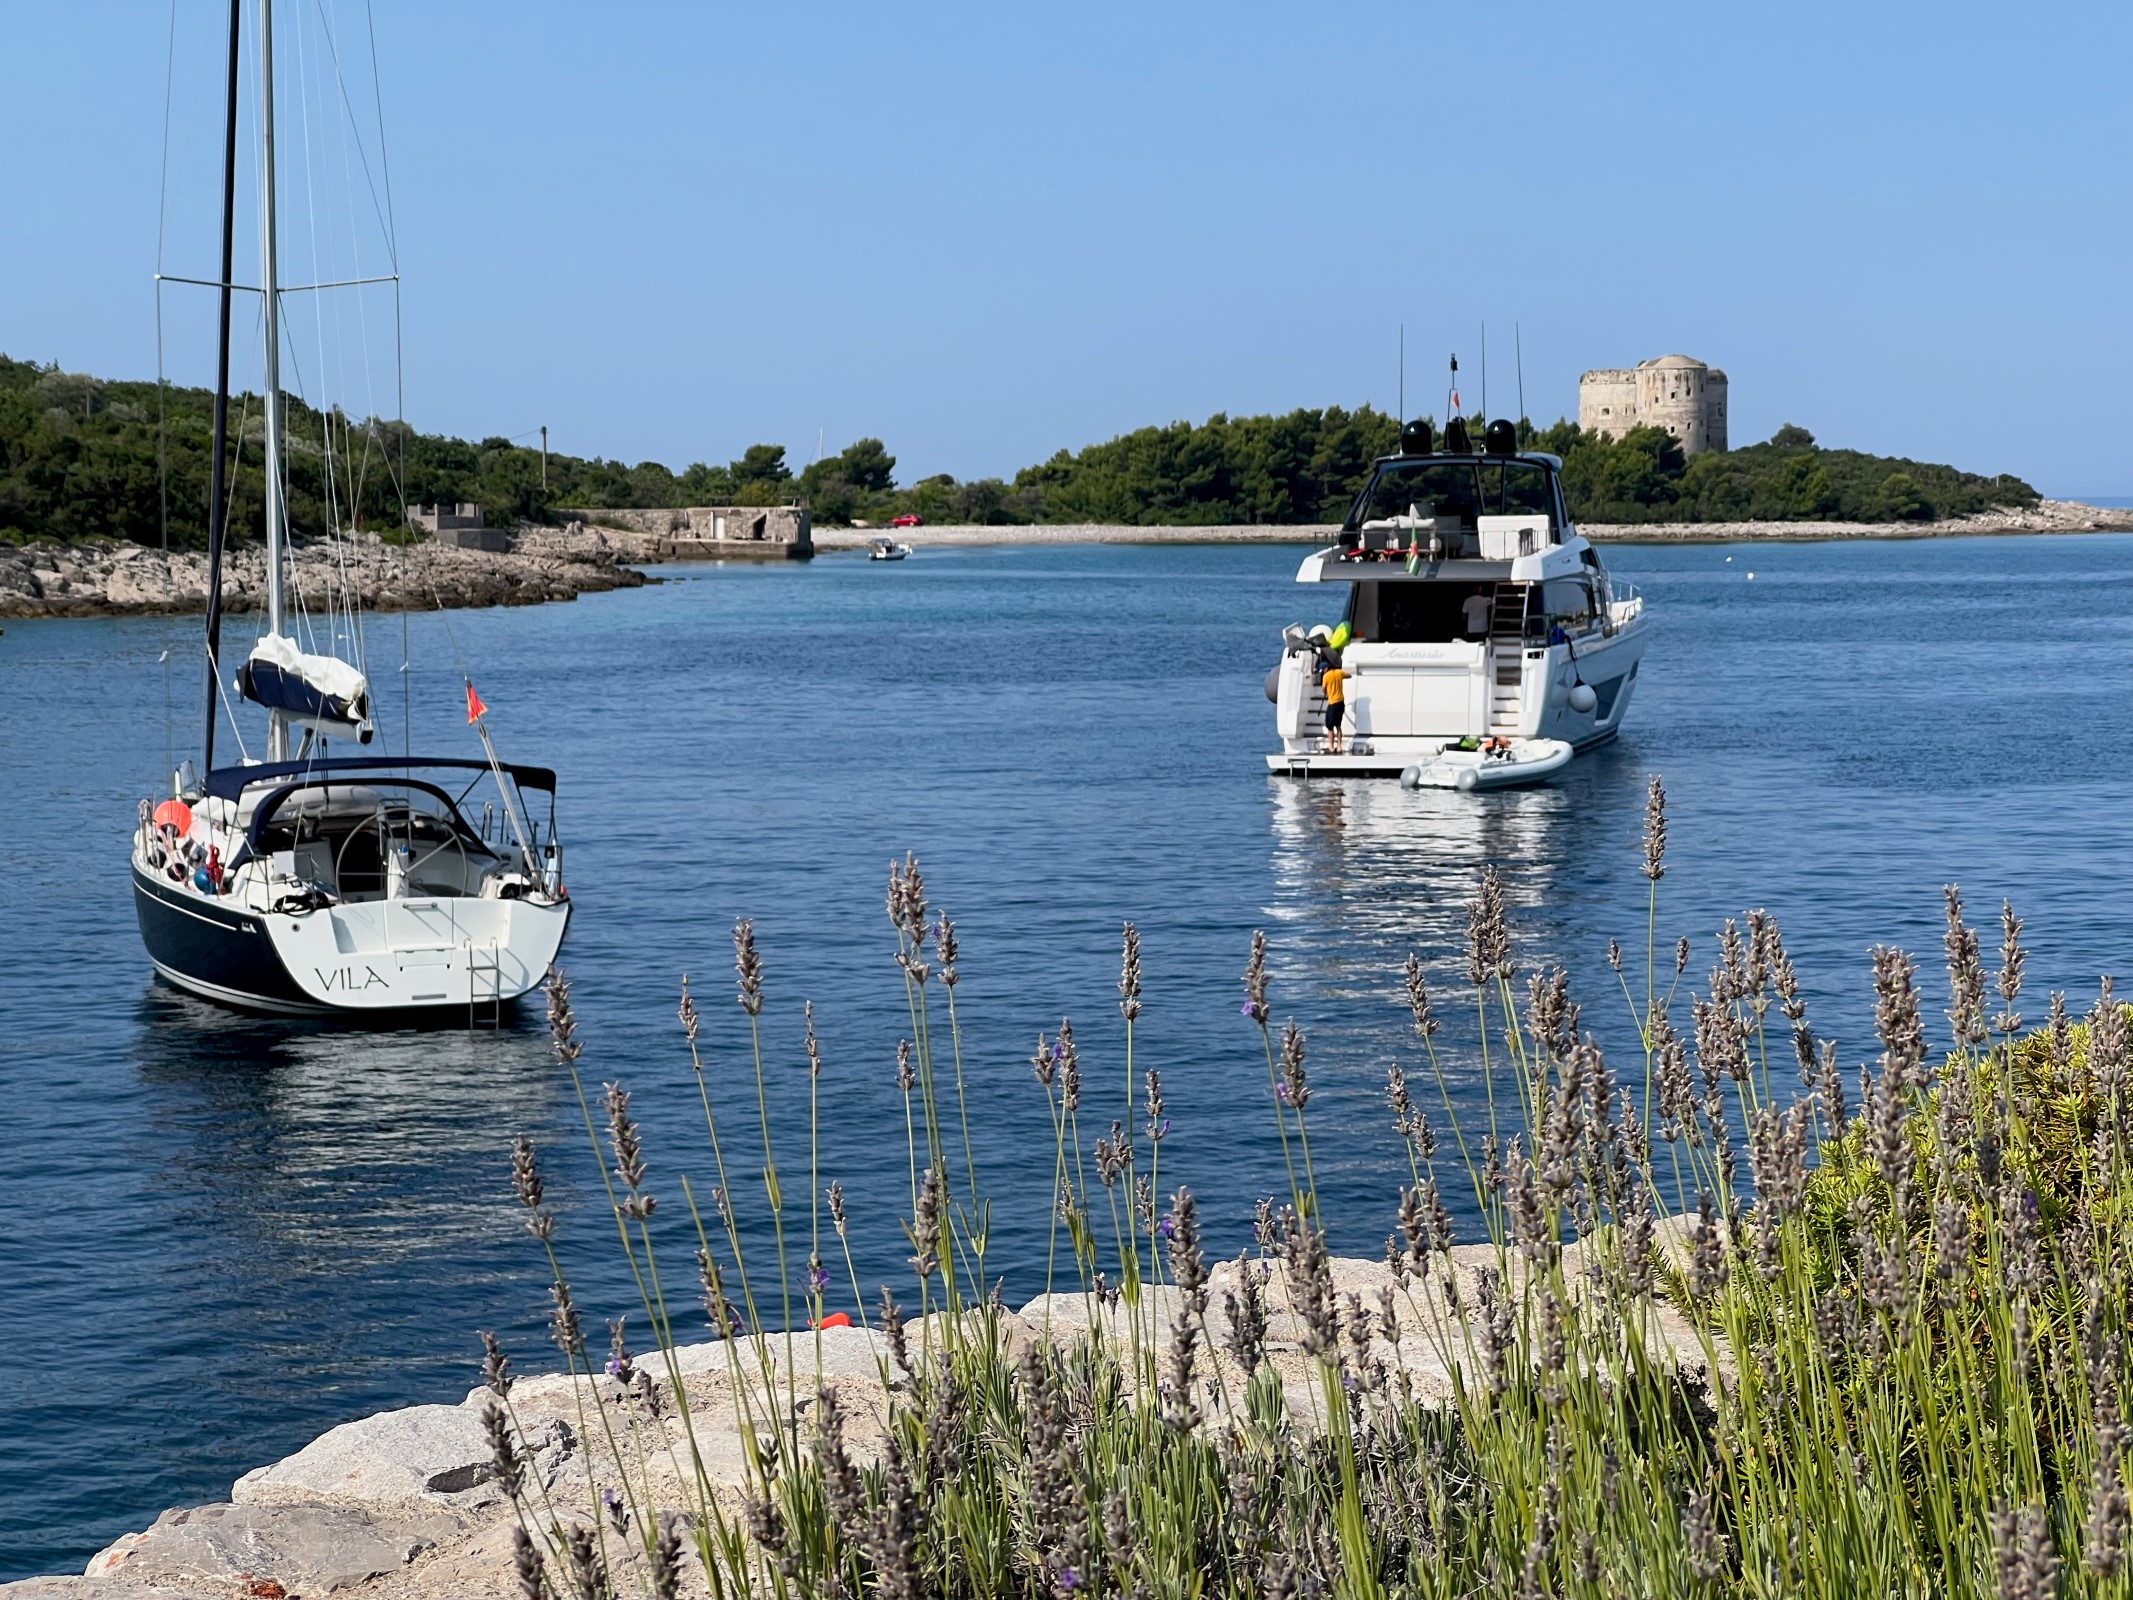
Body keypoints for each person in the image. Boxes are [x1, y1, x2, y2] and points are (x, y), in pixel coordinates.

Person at [1321, 657, 1348, 753]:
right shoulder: (1339, 672)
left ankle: (1332, 747)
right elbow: (1349, 675)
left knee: (1330, 726)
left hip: (1332, 703)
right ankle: (1340, 746)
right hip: (1341, 702)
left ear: (1326, 669)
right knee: (1338, 725)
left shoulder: (1326, 677)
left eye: (1322, 670)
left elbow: (1323, 690)